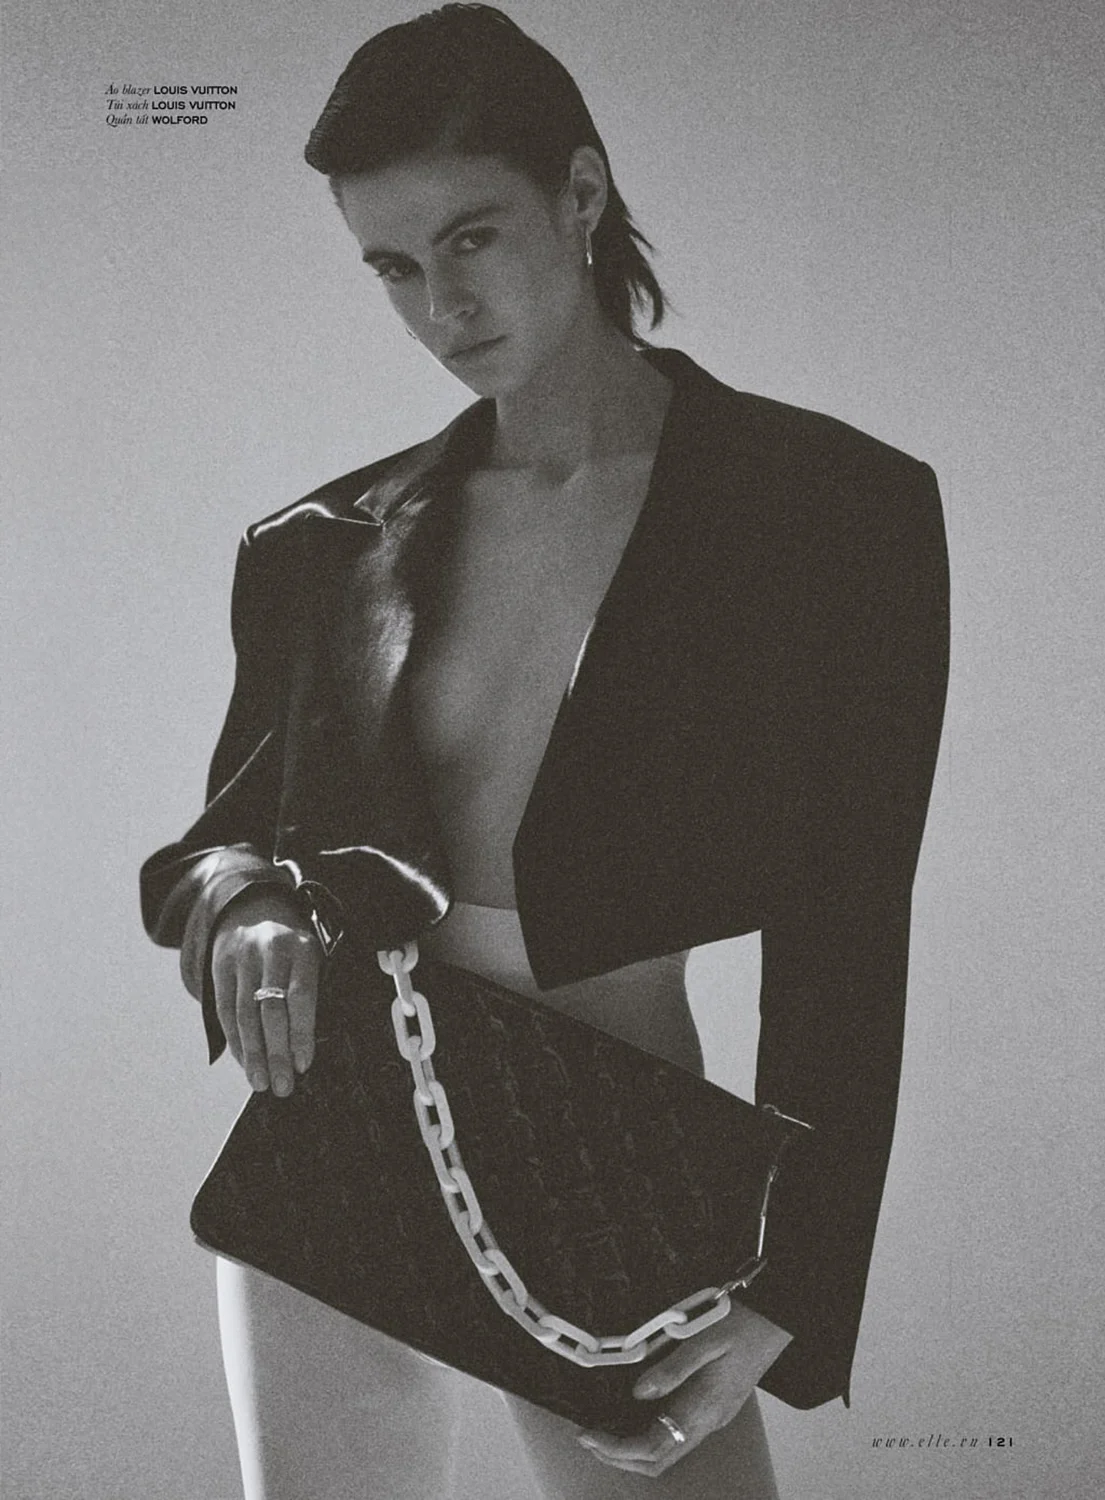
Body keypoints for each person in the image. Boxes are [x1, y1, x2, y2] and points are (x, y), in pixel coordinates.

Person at [140, 6, 949, 1497]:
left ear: (580, 193)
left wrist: (794, 1282)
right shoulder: (323, 546)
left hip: (620, 1164)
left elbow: (849, 924)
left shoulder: (830, 513)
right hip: (346, 1122)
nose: (442, 304)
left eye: (472, 237)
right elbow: (220, 840)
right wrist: (247, 904)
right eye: (393, 266)